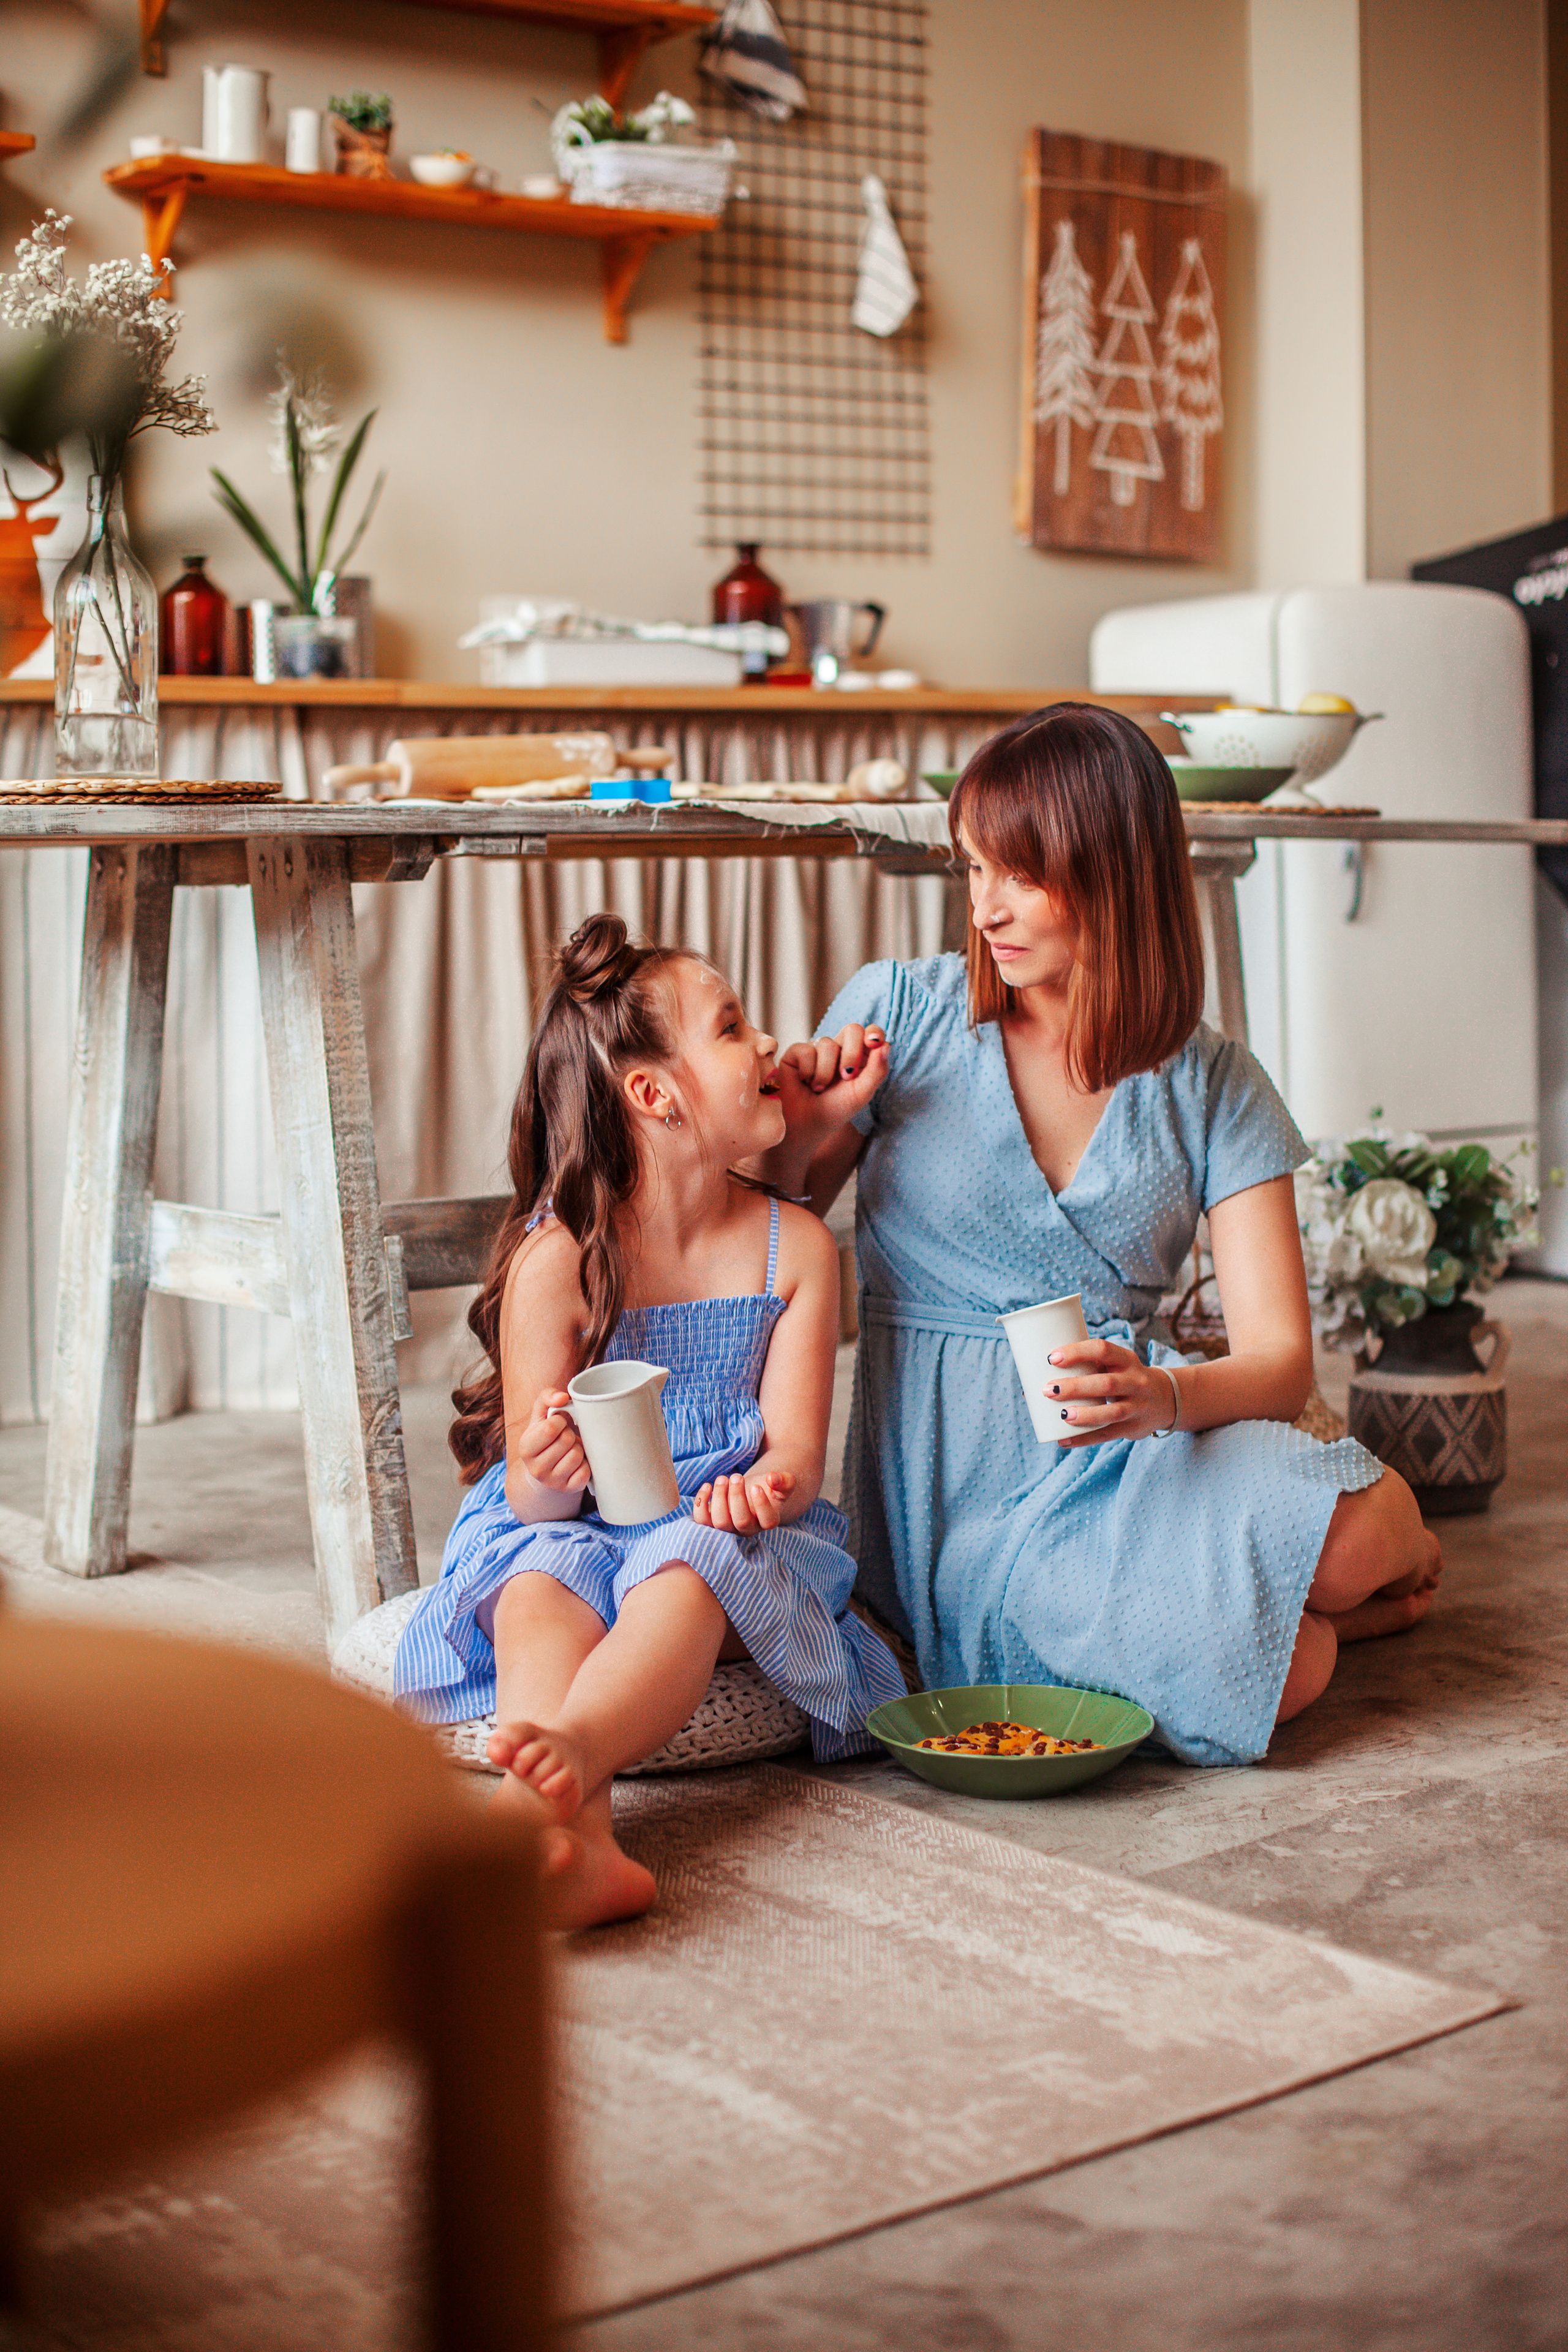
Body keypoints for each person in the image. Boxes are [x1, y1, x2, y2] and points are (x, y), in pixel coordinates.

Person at [756, 704, 1441, 1769]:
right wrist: (802, 1136)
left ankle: (1351, 1578)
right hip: (950, 1488)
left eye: (1022, 875)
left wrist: (1162, 1397)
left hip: (1130, 1441)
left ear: (1117, 872)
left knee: (1367, 1536)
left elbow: (1279, 1363)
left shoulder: (1215, 1084)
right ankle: (1319, 1619)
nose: (986, 906)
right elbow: (769, 1246)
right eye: (974, 867)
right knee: (1295, 1670)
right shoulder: (904, 1013)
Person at [394, 914, 905, 1929]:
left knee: (685, 1565)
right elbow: (533, 1500)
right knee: (539, 1580)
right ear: (653, 1095)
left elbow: (797, 1457)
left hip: (718, 1534)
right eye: (732, 1027)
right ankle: (578, 1844)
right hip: (575, 1525)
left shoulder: (796, 1250)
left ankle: (560, 1767)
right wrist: (547, 1470)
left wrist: (764, 1492)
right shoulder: (560, 1261)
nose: (768, 1042)